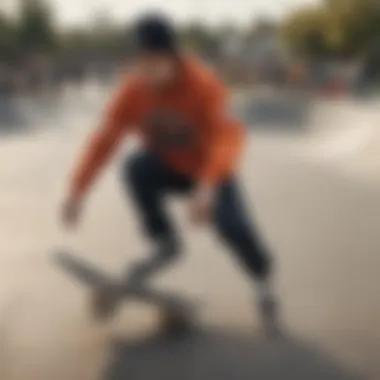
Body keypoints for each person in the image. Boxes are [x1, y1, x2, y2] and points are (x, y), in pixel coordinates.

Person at [61, 14, 279, 331]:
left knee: (234, 228)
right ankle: (164, 241)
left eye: (155, 62)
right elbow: (103, 142)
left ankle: (263, 282)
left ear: (174, 58)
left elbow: (228, 139)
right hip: (166, 168)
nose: (147, 71)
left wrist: (207, 187)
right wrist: (77, 191)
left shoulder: (205, 87)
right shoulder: (132, 91)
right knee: (135, 166)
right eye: (142, 62)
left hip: (210, 172)